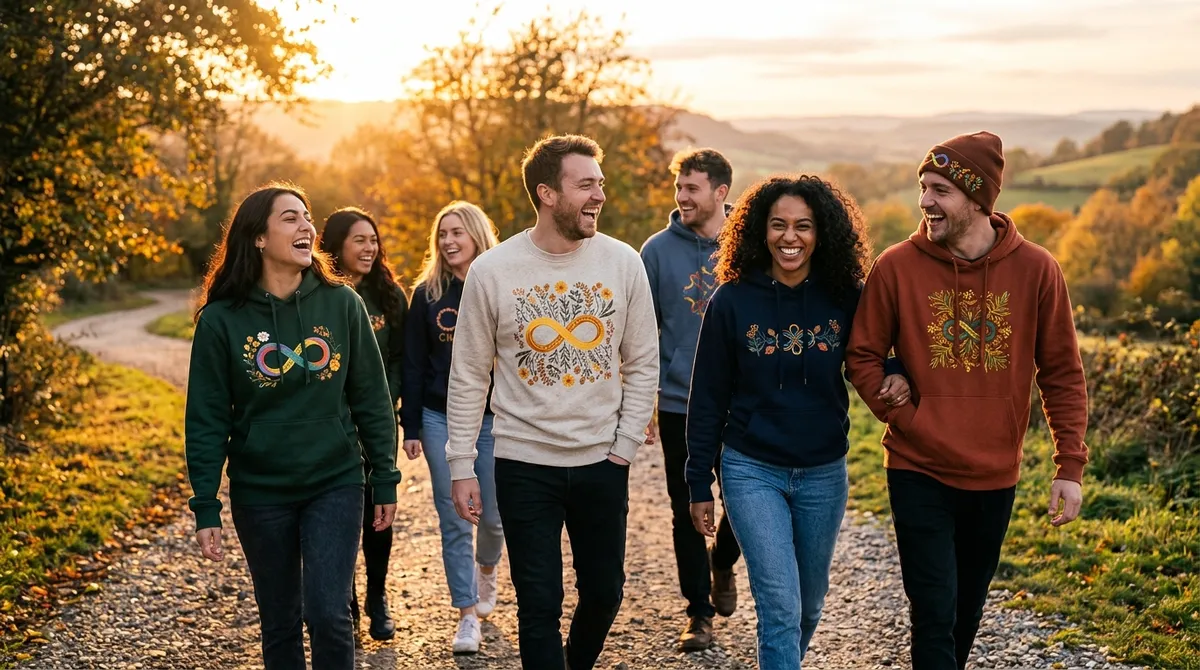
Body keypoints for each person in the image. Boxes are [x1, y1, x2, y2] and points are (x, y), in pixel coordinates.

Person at [846, 131, 1089, 670]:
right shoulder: (897, 266)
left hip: (994, 473)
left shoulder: (1037, 269)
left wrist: (1068, 464)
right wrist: (902, 412)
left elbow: (1062, 374)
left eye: (940, 190)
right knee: (933, 612)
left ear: (978, 199)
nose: (925, 201)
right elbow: (861, 354)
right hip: (917, 465)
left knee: (965, 614)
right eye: (922, 188)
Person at [443, 134, 659, 670]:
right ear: (547, 193)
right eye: (585, 184)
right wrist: (461, 464)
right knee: (539, 605)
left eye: (600, 184)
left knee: (606, 592)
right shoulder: (492, 272)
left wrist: (625, 445)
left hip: (601, 461)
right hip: (522, 464)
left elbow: (643, 360)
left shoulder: (623, 262)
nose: (599, 195)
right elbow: (468, 374)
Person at [686, 174, 911, 669]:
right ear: (758, 231)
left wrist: (896, 374)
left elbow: (875, 355)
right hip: (751, 468)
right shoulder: (732, 301)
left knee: (808, 605)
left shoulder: (846, 296)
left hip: (822, 472)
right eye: (779, 225)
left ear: (821, 232)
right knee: (781, 607)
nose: (791, 237)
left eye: (804, 226)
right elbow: (707, 398)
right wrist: (698, 480)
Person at [184, 183, 401, 669]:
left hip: (335, 480)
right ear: (258, 238)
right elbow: (206, 417)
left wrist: (383, 475)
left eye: (308, 217)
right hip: (261, 491)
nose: (307, 226)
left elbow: (371, 397)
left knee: (328, 613)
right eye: (290, 218)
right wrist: (205, 503)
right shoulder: (221, 320)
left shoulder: (343, 305)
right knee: (280, 620)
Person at [639, 147, 742, 651]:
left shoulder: (748, 246)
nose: (682, 197)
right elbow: (642, 331)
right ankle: (697, 613)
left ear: (720, 193)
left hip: (742, 402)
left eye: (692, 188)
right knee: (686, 508)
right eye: (679, 187)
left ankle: (722, 561)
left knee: (744, 501)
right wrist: (645, 398)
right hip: (679, 399)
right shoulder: (655, 251)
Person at [399, 200, 504, 655]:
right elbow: (415, 364)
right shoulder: (426, 294)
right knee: (455, 516)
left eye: (458, 232)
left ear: (478, 235)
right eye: (442, 234)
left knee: (495, 517)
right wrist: (412, 426)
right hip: (441, 417)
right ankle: (466, 616)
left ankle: (486, 571)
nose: (448, 241)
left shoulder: (502, 285)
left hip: (495, 419)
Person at [317, 206, 408, 641]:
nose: (369, 248)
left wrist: (386, 403)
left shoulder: (390, 297)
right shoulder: (318, 294)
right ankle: (346, 603)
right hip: (334, 428)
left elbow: (400, 359)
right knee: (337, 516)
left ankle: (377, 597)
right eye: (359, 240)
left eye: (373, 240)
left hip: (377, 424)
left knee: (379, 511)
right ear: (335, 245)